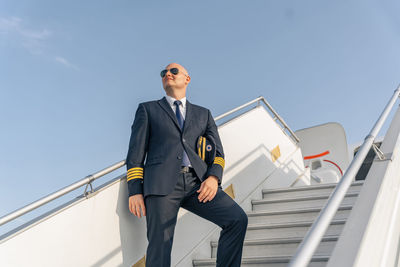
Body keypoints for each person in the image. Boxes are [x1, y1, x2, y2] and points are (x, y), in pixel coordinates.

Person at [126, 63, 248, 267]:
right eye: (163, 73)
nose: (168, 75)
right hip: (161, 186)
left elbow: (218, 153)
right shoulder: (147, 109)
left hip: (197, 184)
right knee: (159, 246)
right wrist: (134, 190)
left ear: (187, 79)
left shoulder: (204, 114)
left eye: (174, 71)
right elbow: (135, 154)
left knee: (237, 220)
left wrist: (213, 177)